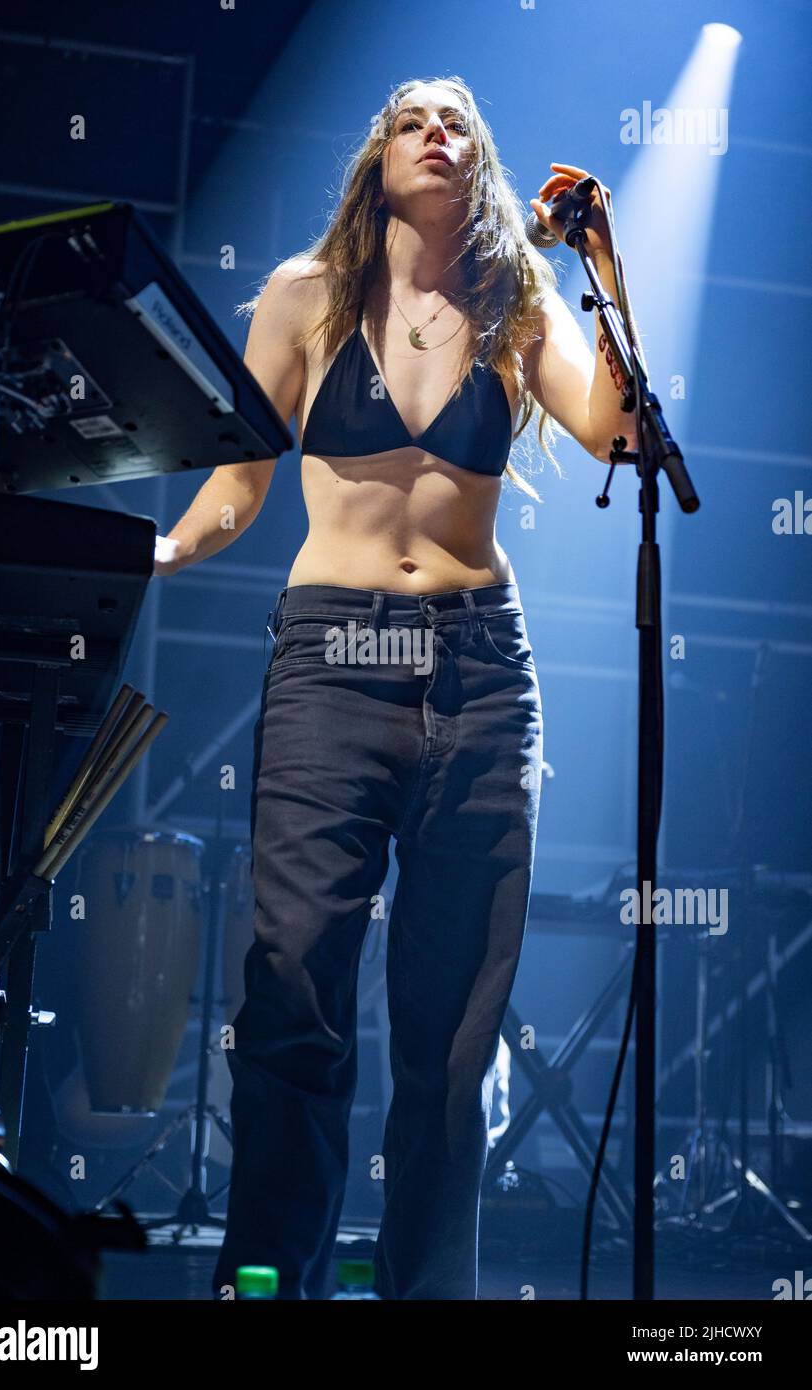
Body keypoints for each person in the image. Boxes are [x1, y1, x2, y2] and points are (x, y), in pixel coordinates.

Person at [155, 75, 636, 1300]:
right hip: (332, 663)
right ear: (377, 159)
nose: (438, 132)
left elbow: (615, 431)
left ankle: (428, 1296)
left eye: (460, 124)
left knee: (453, 1033)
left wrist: (605, 262)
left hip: (479, 670)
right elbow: (238, 480)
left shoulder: (517, 305)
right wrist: (167, 547)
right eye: (415, 119)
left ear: (479, 168)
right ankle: (269, 1283)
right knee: (295, 993)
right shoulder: (303, 297)